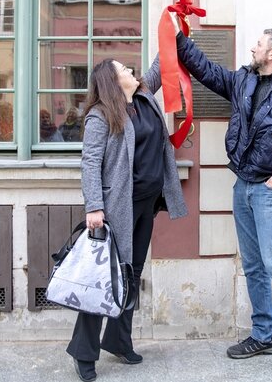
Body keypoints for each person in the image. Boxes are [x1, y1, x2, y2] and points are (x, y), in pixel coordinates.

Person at [175, 23, 272, 376]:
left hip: (270, 189)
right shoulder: (244, 80)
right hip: (243, 184)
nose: (252, 49)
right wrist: (179, 40)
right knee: (254, 264)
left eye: (258, 44)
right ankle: (263, 334)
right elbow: (207, 71)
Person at [68, 57, 188, 382]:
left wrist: (174, 24)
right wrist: (94, 206)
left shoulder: (144, 96)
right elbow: (89, 162)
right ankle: (84, 353)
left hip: (146, 205)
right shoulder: (101, 115)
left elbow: (160, 64)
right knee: (104, 280)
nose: (132, 73)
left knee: (130, 276)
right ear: (112, 81)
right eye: (124, 70)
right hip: (117, 207)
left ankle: (120, 340)